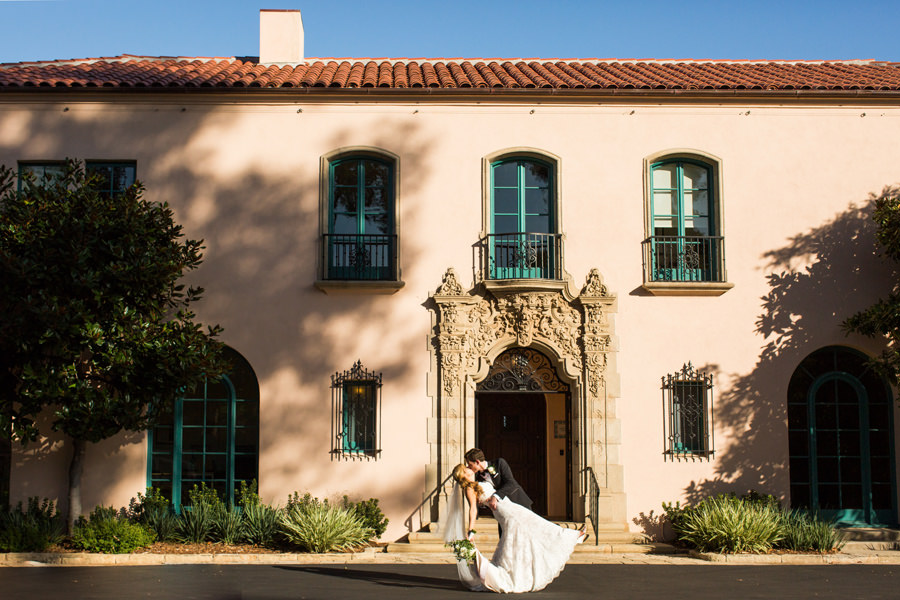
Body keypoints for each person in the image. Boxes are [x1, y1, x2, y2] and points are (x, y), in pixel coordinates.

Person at [444, 463, 586, 593]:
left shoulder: (475, 484)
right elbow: (473, 509)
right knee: (537, 523)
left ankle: (518, 573)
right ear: (464, 473)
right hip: (506, 512)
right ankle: (572, 536)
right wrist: (471, 530)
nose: (469, 468)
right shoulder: (469, 488)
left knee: (526, 533)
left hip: (509, 507)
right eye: (466, 468)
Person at [464, 448, 533, 512]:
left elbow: (511, 483)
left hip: (518, 502)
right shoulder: (477, 477)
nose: (468, 467)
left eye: (470, 464)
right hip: (503, 510)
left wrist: (495, 496)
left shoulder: (499, 463)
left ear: (477, 462)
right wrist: (482, 503)